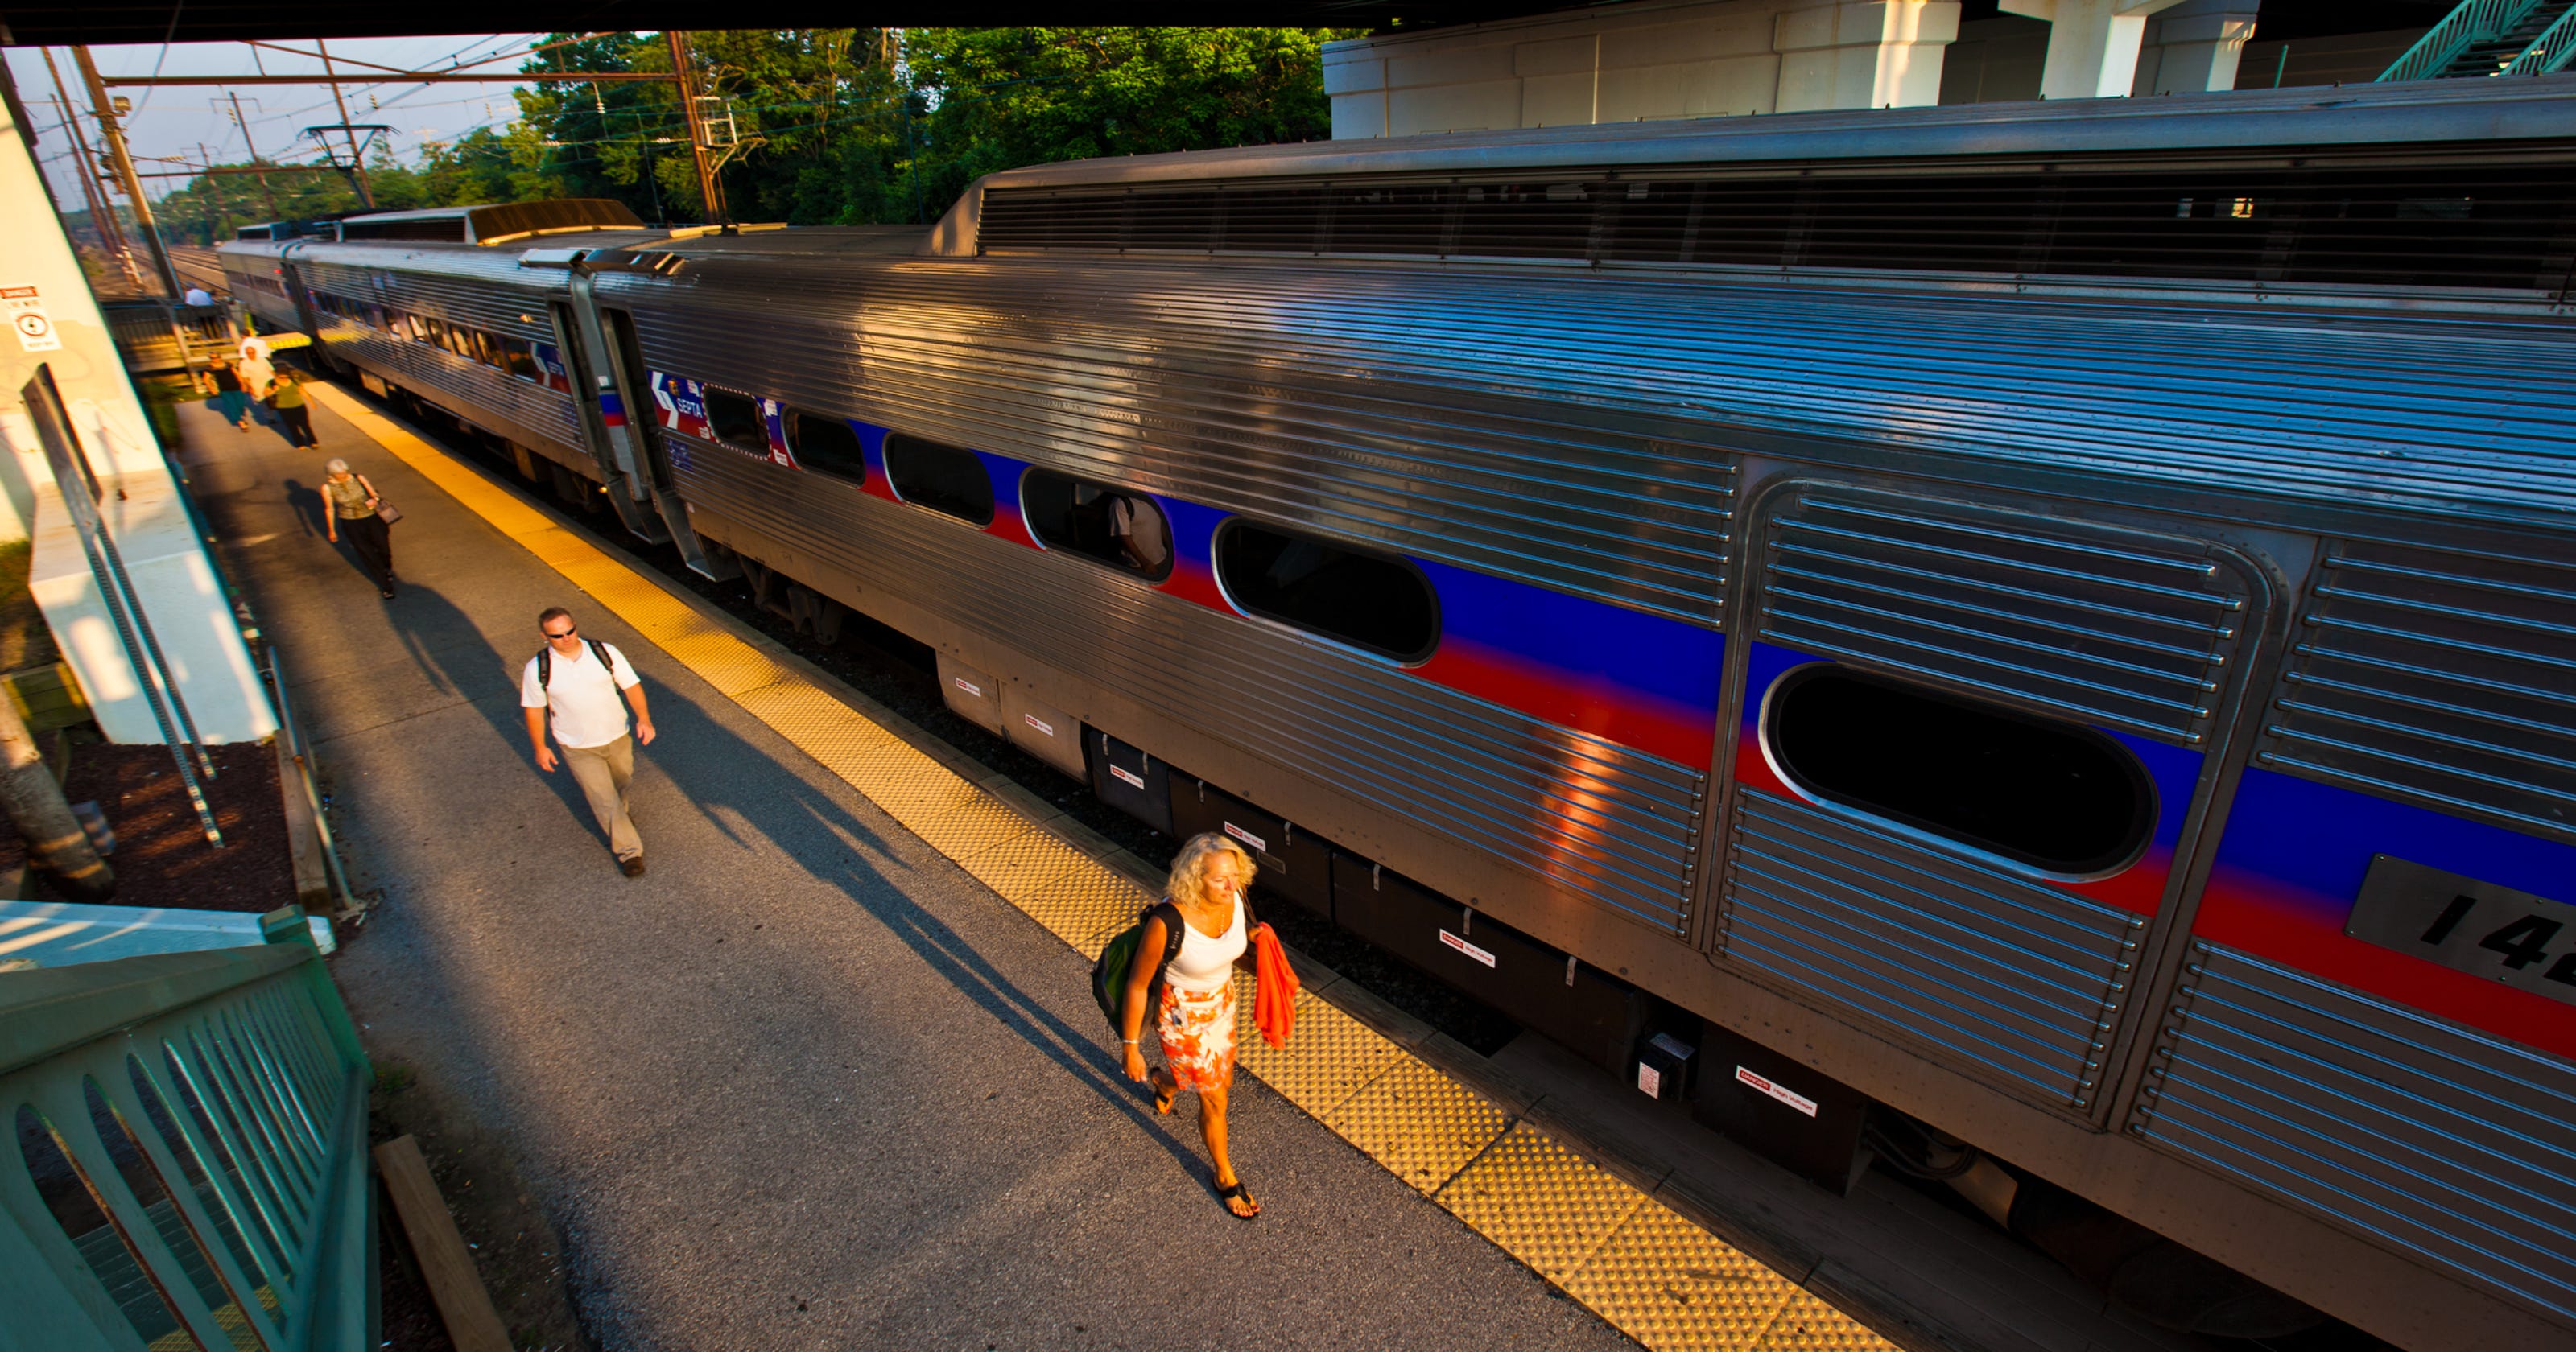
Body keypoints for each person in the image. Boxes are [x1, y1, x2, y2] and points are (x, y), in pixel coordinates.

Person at [1119, 831, 1264, 1218]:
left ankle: (1166, 1081)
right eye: (1221, 879)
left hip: (1223, 1003)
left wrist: (1256, 946)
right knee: (1216, 1096)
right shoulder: (1168, 922)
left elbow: (1229, 951)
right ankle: (1224, 1176)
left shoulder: (1233, 897)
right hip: (1183, 1015)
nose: (1232, 885)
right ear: (1194, 878)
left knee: (1218, 1081)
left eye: (1236, 875)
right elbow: (1136, 984)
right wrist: (1130, 1045)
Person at [521, 607, 655, 878]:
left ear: (575, 626)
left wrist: (644, 718)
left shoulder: (604, 653)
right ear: (544, 636)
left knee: (622, 781)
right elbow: (534, 710)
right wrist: (540, 747)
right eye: (557, 635)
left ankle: (620, 817)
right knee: (603, 797)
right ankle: (630, 852)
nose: (566, 638)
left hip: (617, 734)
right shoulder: (538, 669)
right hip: (577, 746)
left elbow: (631, 686)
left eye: (570, 631)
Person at [320, 458, 397, 598]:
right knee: (366, 553)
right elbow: (329, 509)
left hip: (371, 518)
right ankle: (386, 586)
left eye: (345, 472)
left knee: (383, 547)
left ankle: (386, 567)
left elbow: (374, 494)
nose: (344, 475)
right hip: (350, 523)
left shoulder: (358, 478)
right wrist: (332, 530)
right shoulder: (327, 488)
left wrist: (374, 500)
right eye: (340, 474)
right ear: (331, 474)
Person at [270, 369, 318, 448]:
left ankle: (313, 442)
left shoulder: (295, 381)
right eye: (281, 378)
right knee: (292, 427)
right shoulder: (272, 383)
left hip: (299, 406)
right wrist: (273, 391)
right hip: (284, 409)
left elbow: (303, 391)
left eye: (287, 377)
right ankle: (300, 444)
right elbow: (266, 394)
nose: (284, 379)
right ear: (277, 376)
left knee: (305, 425)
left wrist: (311, 402)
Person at [205, 357, 250, 431]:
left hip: (236, 387)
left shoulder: (228, 365)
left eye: (216, 357)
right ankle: (242, 423)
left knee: (240, 403)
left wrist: (242, 384)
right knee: (231, 405)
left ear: (220, 357)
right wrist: (211, 388)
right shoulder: (210, 368)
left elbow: (237, 374)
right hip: (224, 389)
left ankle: (241, 412)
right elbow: (206, 379)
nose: (215, 359)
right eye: (212, 358)